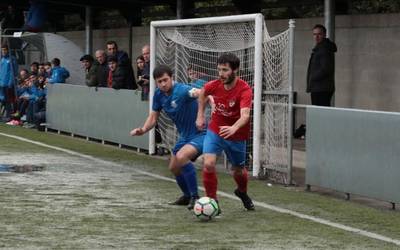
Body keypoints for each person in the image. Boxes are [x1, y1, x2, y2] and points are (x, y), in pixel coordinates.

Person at [130, 65, 205, 210]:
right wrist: (143, 129)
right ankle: (187, 196)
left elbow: (199, 93)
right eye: (160, 81)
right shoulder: (158, 95)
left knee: (182, 157)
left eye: (165, 80)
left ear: (172, 78)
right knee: (174, 167)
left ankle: (196, 197)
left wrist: (203, 105)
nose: (163, 84)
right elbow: (153, 117)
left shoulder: (182, 90)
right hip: (185, 136)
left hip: (201, 133)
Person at [196, 53, 255, 212]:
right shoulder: (214, 85)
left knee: (238, 170)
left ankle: (242, 192)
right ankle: (213, 203)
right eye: (219, 70)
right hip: (216, 129)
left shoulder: (244, 90)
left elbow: (245, 116)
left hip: (236, 134)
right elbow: (203, 92)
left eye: (225, 70)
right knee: (208, 163)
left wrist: (234, 128)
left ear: (235, 70)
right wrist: (200, 115)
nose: (221, 74)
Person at [306, 24, 337, 107]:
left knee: (320, 114)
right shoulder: (320, 47)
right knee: (320, 114)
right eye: (314, 34)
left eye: (319, 34)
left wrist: (313, 77)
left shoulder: (324, 48)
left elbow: (326, 68)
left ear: (324, 35)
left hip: (321, 88)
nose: (316, 37)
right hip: (319, 87)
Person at [0, 44, 18, 122]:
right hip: (1, 83)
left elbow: (13, 71)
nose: (3, 51)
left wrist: (11, 82)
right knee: (2, 99)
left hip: (8, 84)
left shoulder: (12, 59)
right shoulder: (2, 59)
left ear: (8, 50)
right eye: (2, 50)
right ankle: (6, 115)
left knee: (8, 100)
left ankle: (9, 116)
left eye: (5, 50)